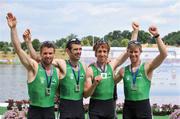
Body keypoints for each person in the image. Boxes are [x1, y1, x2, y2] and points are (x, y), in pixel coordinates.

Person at [6, 12, 60, 119]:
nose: (48, 56)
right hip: (35, 112)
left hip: (50, 112)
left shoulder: (57, 71)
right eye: (45, 53)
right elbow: (18, 49)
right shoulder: (34, 67)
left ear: (54, 54)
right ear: (40, 54)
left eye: (50, 53)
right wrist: (13, 28)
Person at [24, 32, 87, 118]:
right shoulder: (61, 63)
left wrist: (106, 61)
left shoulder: (83, 65)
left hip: (79, 108)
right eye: (75, 49)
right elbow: (38, 58)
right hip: (65, 108)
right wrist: (29, 43)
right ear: (68, 51)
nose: (78, 52)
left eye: (80, 49)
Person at [84, 22, 139, 119]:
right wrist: (94, 84)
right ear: (95, 54)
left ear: (108, 53)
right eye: (99, 51)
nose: (102, 54)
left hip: (109, 106)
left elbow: (127, 51)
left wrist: (135, 32)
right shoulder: (90, 70)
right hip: (95, 107)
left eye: (104, 51)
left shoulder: (111, 65)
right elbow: (86, 95)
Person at [114, 24, 167, 119]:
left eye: (136, 52)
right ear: (128, 52)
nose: (133, 54)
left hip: (143, 107)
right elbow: (110, 82)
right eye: (131, 52)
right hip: (128, 108)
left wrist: (157, 36)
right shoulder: (123, 71)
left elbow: (163, 54)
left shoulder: (147, 67)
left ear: (140, 52)